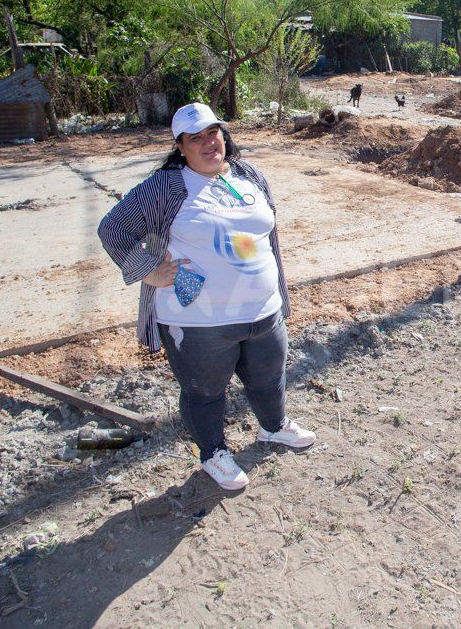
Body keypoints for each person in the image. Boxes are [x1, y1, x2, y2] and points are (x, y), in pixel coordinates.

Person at [98, 102, 315, 491]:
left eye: (212, 133)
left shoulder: (248, 175)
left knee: (268, 378)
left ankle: (273, 427)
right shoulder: (166, 187)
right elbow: (113, 229)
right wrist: (148, 270)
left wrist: (278, 294)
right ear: (180, 147)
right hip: (200, 321)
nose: (207, 143)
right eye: (194, 138)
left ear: (223, 134)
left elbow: (265, 235)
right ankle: (213, 452)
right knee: (204, 391)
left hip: (263, 311)